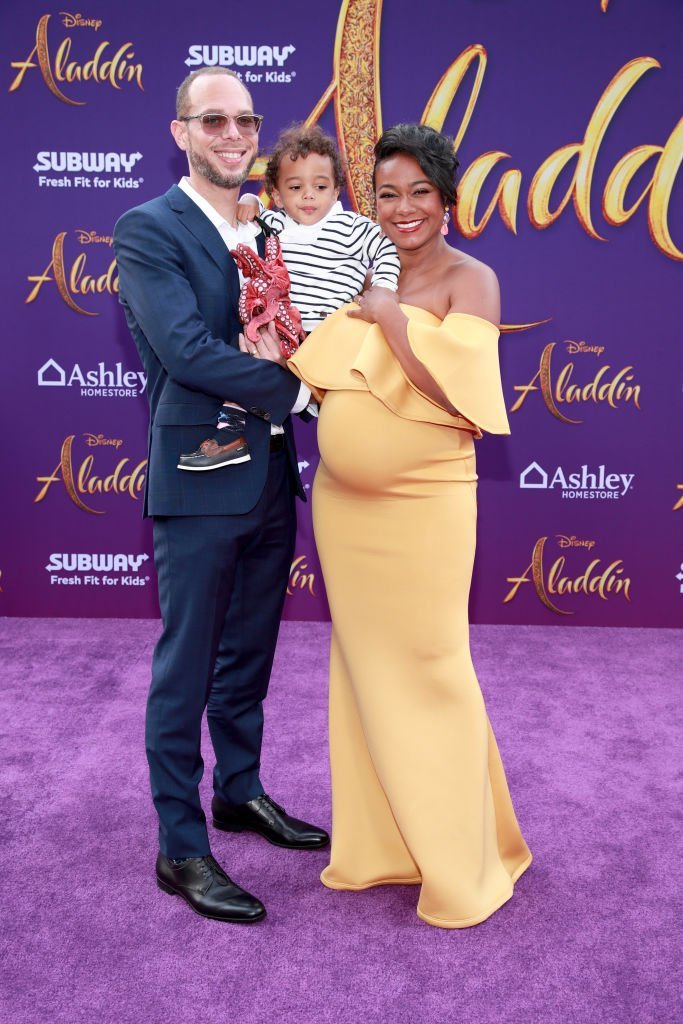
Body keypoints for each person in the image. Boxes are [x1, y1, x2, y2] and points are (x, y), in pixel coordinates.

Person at [256, 122, 532, 928]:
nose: (402, 208)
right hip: (344, 510)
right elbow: (315, 368)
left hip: (427, 508)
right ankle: (382, 848)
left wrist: (387, 316)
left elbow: (458, 392)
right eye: (385, 193)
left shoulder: (469, 280)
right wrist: (274, 338)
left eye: (419, 192)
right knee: (364, 672)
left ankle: (461, 864)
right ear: (364, 201)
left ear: (446, 200)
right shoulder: (353, 272)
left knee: (434, 667)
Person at [113, 66, 328, 925]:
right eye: (213, 121)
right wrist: (309, 390)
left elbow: (281, 324)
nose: (234, 135)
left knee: (248, 656)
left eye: (244, 120)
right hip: (200, 477)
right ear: (181, 133)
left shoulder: (263, 222)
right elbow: (189, 352)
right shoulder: (147, 228)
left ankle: (240, 793)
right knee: (187, 665)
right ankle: (181, 845)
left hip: (272, 475)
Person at [177, 122, 400, 472]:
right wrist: (250, 199)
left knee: (350, 409)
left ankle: (371, 456)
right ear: (277, 195)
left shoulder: (355, 228)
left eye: (320, 186)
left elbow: (388, 250)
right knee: (246, 359)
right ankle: (235, 435)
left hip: (334, 338)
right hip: (284, 334)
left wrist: (384, 290)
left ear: (337, 190)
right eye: (295, 187)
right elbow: (246, 217)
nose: (308, 196)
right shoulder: (274, 224)